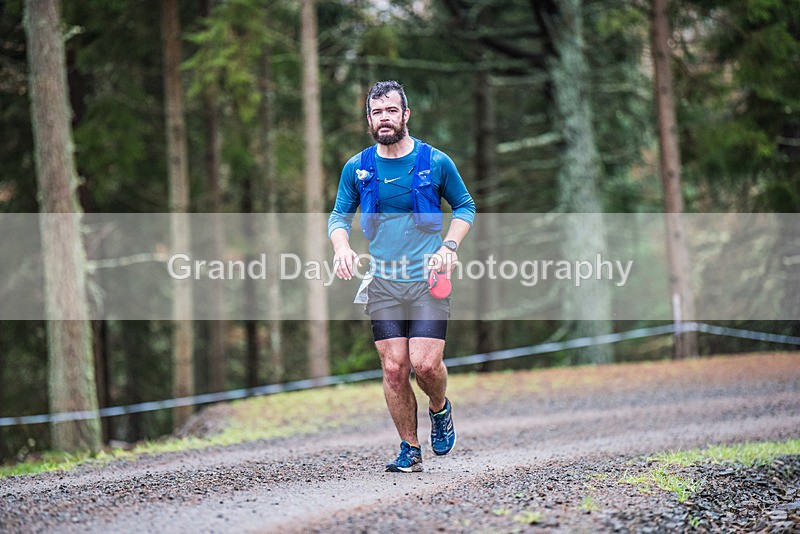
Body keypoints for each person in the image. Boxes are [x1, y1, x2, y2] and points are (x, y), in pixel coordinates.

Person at [328, 80, 476, 472]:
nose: (384, 118)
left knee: (425, 364)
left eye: (391, 111)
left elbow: (465, 206)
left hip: (428, 278)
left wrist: (449, 248)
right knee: (394, 367)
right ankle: (409, 449)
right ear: (369, 119)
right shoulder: (358, 168)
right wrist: (342, 247)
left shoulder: (435, 162)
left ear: (405, 115)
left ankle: (439, 408)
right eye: (377, 112)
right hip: (383, 282)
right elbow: (338, 216)